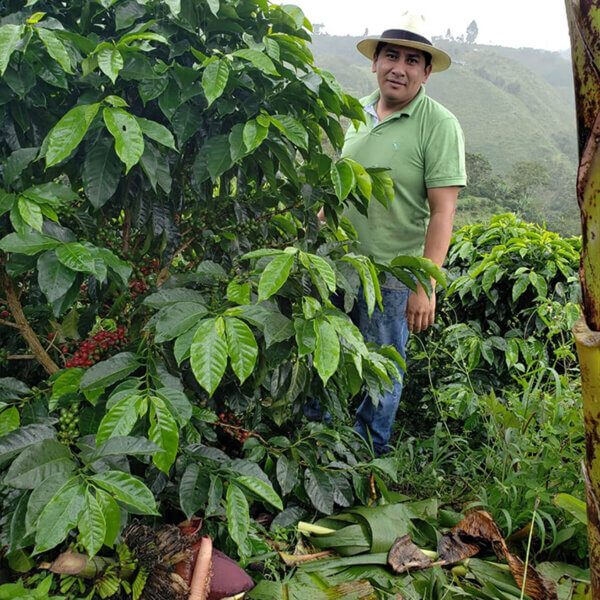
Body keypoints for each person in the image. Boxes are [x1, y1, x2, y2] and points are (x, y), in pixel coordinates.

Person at [342, 14, 467, 455]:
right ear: (375, 62)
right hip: (339, 266)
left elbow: (443, 212)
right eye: (391, 55)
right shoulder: (355, 112)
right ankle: (318, 453)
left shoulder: (439, 123)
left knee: (381, 372)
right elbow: (340, 186)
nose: (400, 67)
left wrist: (426, 282)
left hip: (394, 275)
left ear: (426, 72)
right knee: (330, 363)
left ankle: (366, 462)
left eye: (413, 60)